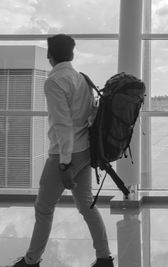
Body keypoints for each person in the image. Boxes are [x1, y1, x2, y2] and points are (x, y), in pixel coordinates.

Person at [13, 34, 114, 267]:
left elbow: (62, 125)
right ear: (72, 54)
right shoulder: (82, 79)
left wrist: (64, 164)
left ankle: (31, 261)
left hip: (64, 154)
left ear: (50, 55)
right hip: (85, 150)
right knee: (87, 205)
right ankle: (104, 257)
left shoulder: (54, 81)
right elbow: (90, 116)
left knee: (44, 208)